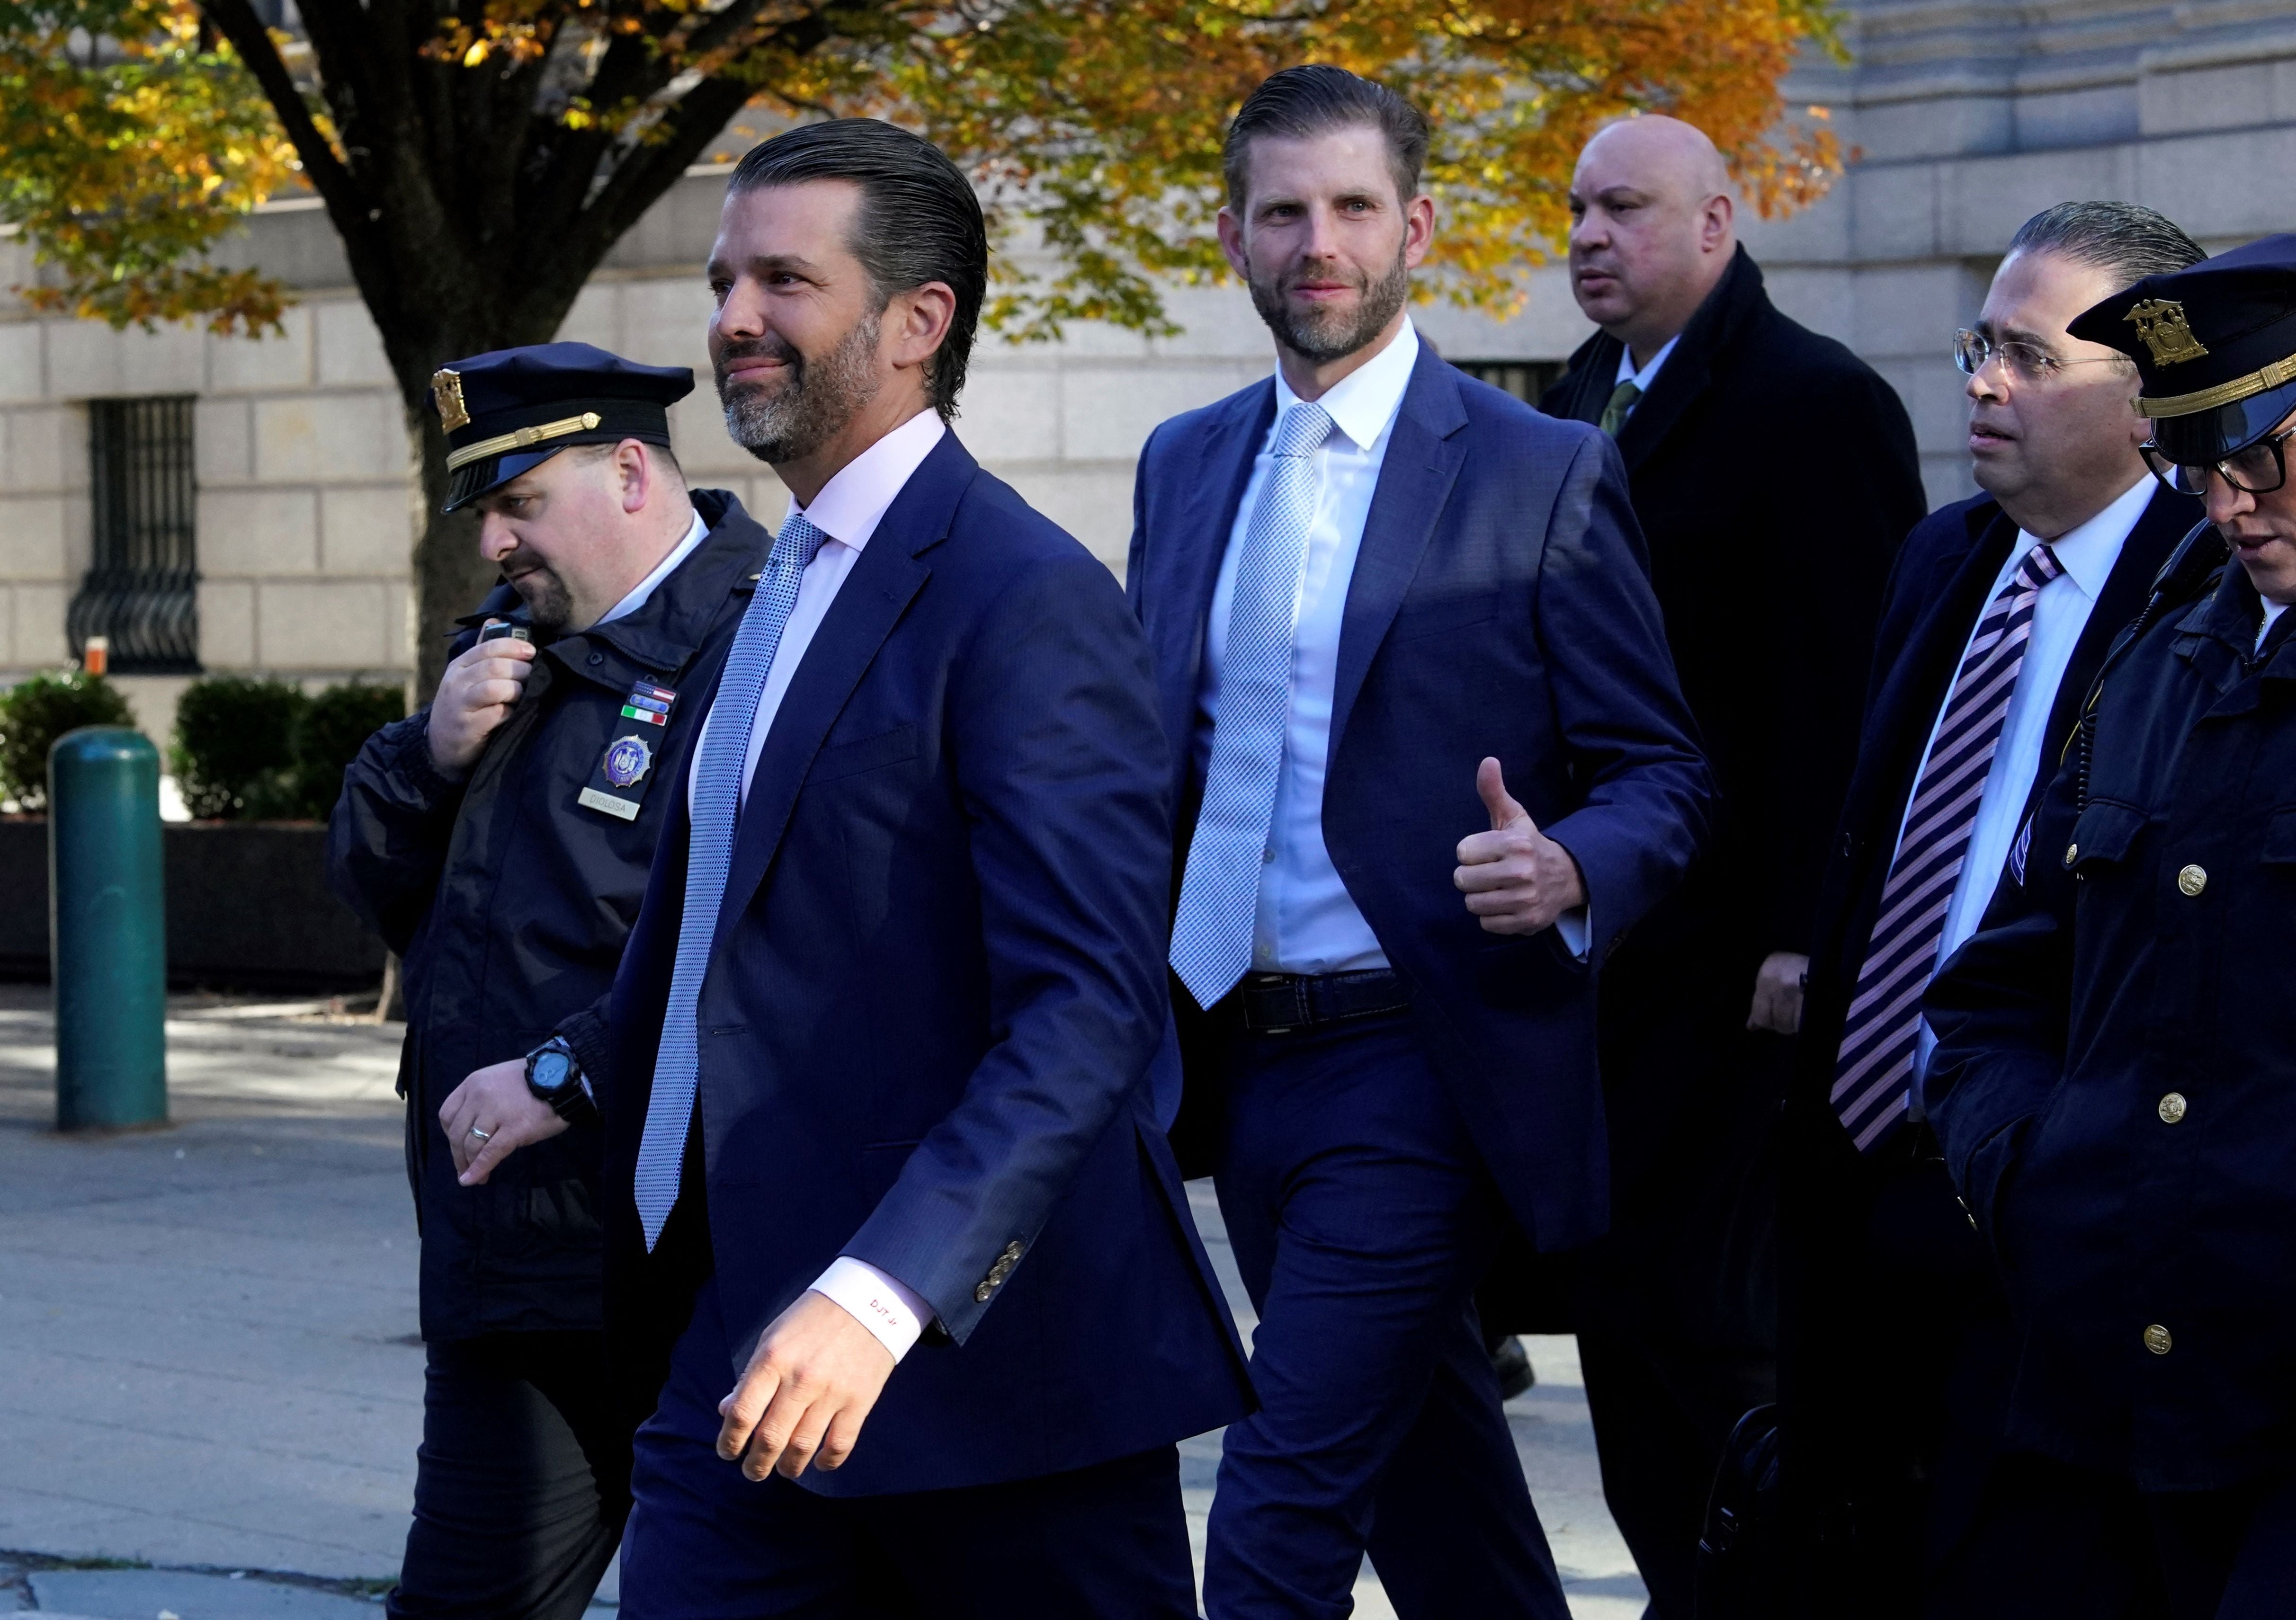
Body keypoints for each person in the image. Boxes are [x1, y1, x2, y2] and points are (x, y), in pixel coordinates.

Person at [450, 118, 1253, 1617]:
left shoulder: (1024, 601)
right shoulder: (777, 586)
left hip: (990, 1393)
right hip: (732, 1353)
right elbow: (720, 929)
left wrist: (885, 1295)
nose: (732, 320)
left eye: (782, 283)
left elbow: (1085, 1014)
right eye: (721, 281)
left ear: (915, 321)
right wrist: (567, 1074)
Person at [1129, 66, 1715, 1618]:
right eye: (1282, 212)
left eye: (1352, 208)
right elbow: (1154, 760)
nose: (1317, 243)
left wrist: (1575, 862)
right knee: (1432, 1489)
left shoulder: (1538, 470)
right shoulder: (1183, 463)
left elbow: (1662, 770)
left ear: (1419, 227)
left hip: (1420, 1059)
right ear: (1232, 236)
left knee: (1278, 1508)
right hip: (1230, 1058)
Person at [1520, 113, 1926, 1617]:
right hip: (1607, 973)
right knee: (1627, 1353)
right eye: (1576, 207)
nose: (1587, 234)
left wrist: (1806, 934)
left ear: (1718, 223)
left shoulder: (1815, 405)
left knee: (1721, 1361)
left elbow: (1848, 695)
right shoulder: (1576, 399)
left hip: (1744, 987)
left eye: (1624, 206)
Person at [1778, 202, 2207, 1617]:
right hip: (1861, 1176)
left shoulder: (2206, 594)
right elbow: (1879, 848)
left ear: (2144, 396)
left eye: (2028, 356)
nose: (1981, 382)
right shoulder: (1943, 557)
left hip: (2039, 1210)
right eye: (1982, 346)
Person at [326, 342, 771, 1620]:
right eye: (485, 514)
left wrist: (569, 1067)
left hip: (691, 1267)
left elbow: (759, 937)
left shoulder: (766, 638)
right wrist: (427, 753)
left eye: (519, 505)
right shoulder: (516, 643)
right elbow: (382, 888)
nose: (494, 544)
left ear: (630, 471)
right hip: (510, 1269)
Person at [1920, 236, 2296, 1618]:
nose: (2231, 504)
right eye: (2200, 465)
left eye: (2263, 457)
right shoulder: (2163, 659)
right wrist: (2031, 1173)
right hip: (2109, 1394)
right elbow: (1996, 990)